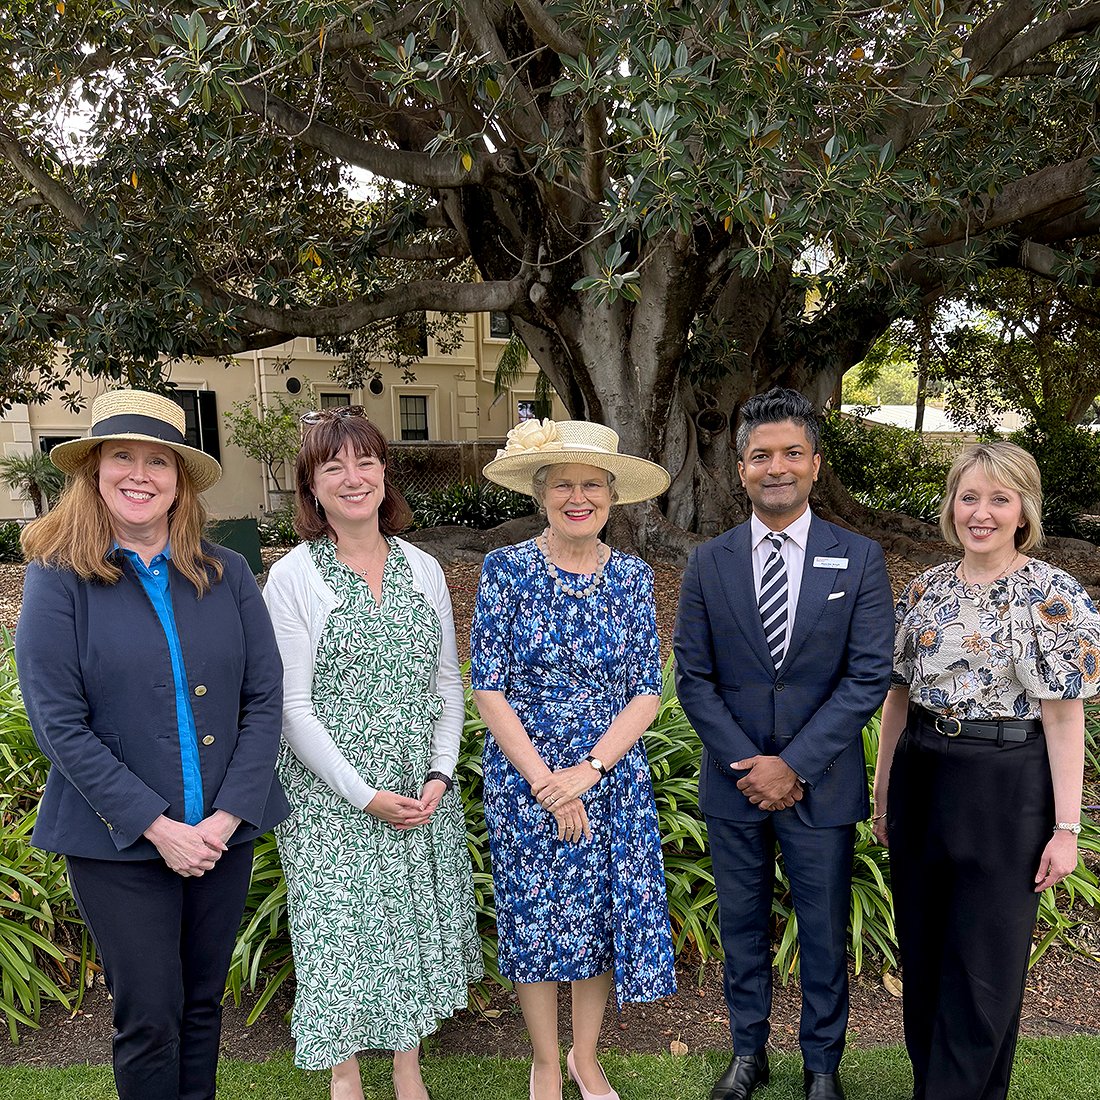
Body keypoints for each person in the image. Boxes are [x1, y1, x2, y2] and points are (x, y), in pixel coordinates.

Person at [15, 389, 288, 1100]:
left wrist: (225, 819)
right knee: (149, 1019)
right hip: (120, 846)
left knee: (203, 1009)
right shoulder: (57, 578)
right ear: (95, 472)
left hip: (224, 838)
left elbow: (263, 701)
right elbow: (57, 722)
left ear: (178, 478)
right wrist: (158, 827)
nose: (140, 474)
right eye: (122, 458)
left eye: (157, 460)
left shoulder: (226, 573)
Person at [673, 388, 894, 1100]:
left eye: (791, 453)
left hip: (819, 785)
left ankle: (822, 1066)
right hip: (735, 786)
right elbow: (694, 678)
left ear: (815, 465)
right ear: (739, 469)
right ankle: (748, 1055)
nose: (776, 467)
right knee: (741, 926)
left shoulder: (857, 558)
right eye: (761, 455)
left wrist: (792, 766)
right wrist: (752, 767)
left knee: (825, 934)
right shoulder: (708, 562)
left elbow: (867, 678)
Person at [262, 406, 480, 1100]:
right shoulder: (294, 576)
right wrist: (362, 794)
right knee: (342, 942)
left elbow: (446, 681)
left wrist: (440, 774)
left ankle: (408, 1071)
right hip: (331, 802)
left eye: (365, 461)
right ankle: (346, 1073)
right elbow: (292, 710)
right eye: (334, 466)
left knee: (408, 933)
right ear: (311, 486)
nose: (353, 478)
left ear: (385, 473)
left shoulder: (423, 568)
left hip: (419, 795)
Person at [872, 441, 1099, 1100]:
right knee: (927, 956)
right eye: (969, 496)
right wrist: (884, 790)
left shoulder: (1054, 595)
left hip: (1006, 785)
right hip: (921, 775)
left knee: (984, 968)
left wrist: (1065, 829)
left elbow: (1064, 718)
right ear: (951, 505)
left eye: (1000, 499)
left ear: (1023, 509)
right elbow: (897, 696)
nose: (982, 512)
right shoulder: (925, 587)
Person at [470, 418, 677, 1100]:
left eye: (592, 484)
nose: (578, 496)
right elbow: (487, 685)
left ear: (613, 497)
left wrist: (589, 770)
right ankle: (545, 1062)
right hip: (525, 777)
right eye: (564, 484)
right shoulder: (505, 571)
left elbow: (647, 690)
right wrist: (546, 784)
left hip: (608, 774)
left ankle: (587, 1058)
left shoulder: (634, 578)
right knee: (534, 920)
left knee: (594, 920)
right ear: (541, 494)